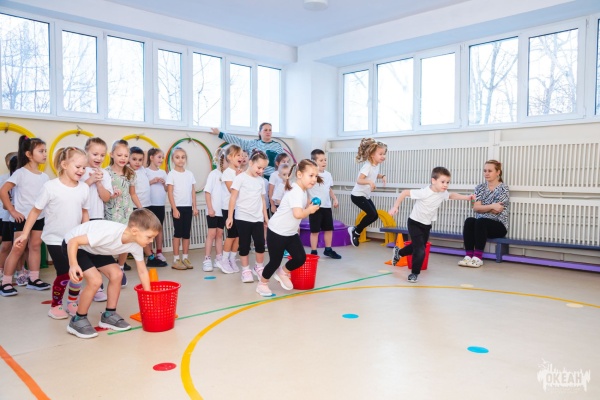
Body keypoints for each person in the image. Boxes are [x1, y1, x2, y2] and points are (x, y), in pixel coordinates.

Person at [15, 147, 89, 318]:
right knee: (64, 273)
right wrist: (25, 234)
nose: (81, 171)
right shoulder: (50, 187)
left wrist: (87, 234)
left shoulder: (84, 188)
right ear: (64, 164)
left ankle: (72, 302)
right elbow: (35, 211)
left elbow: (85, 212)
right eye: (78, 167)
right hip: (55, 239)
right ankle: (55, 305)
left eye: (84, 168)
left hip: (76, 239)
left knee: (77, 273)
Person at [64, 208, 160, 339]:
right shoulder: (110, 234)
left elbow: (142, 271)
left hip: (96, 248)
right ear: (134, 231)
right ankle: (77, 319)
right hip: (75, 246)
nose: (151, 241)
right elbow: (73, 241)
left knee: (117, 274)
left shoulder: (136, 244)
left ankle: (109, 315)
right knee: (96, 280)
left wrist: (149, 298)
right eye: (149, 237)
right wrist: (73, 264)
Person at [389, 167, 475, 283]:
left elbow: (451, 195)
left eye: (447, 182)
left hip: (426, 225)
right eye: (443, 182)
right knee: (420, 250)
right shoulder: (424, 192)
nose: (445, 185)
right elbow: (404, 192)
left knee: (417, 246)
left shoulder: (442, 193)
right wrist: (395, 207)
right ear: (433, 181)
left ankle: (399, 252)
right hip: (414, 223)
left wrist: (467, 197)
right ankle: (414, 273)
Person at [255, 159, 322, 297]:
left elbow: (301, 207)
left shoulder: (302, 190)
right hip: (277, 232)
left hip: (290, 233)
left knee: (300, 258)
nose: (314, 179)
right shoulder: (296, 191)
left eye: (316, 176)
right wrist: (309, 210)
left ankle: (283, 272)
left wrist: (309, 206)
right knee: (275, 261)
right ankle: (262, 284)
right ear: (299, 175)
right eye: (311, 175)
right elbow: (298, 214)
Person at [0, 136, 51, 296]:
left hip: (39, 217)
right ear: (29, 154)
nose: (45, 154)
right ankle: (5, 282)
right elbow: (3, 191)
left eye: (45, 151)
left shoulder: (44, 177)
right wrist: (13, 211)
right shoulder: (20, 173)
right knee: (18, 249)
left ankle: (33, 279)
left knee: (35, 247)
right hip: (22, 218)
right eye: (41, 151)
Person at [226, 150, 269, 284]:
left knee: (260, 244)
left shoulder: (261, 181)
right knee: (244, 245)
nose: (261, 171)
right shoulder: (240, 178)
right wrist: (230, 217)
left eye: (263, 168)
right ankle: (245, 270)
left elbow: (262, 200)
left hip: (257, 218)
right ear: (250, 163)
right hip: (242, 217)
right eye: (259, 167)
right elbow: (233, 197)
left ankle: (259, 267)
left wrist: (266, 217)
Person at [105, 139, 142, 288]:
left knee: (126, 240)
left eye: (126, 156)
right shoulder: (106, 173)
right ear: (112, 154)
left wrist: (140, 208)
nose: (123, 158)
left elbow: (132, 193)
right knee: (109, 241)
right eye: (119, 155)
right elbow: (103, 194)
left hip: (127, 211)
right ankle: (107, 268)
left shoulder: (131, 173)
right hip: (111, 212)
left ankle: (120, 267)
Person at [459, 160, 509, 268]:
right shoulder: (479, 188)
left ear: (498, 172)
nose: (486, 173)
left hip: (498, 225)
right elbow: (475, 208)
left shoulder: (503, 188)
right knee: (469, 221)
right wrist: (492, 206)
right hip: (480, 226)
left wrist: (483, 208)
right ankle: (468, 256)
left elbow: (498, 209)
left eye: (490, 171)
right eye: (485, 171)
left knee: (481, 221)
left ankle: (478, 258)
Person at [82, 137, 113, 302]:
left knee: (97, 251)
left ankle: (98, 288)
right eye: (95, 154)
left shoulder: (105, 173)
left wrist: (99, 183)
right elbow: (76, 192)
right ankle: (85, 287)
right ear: (86, 152)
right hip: (81, 218)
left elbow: (106, 198)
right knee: (82, 254)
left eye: (102, 155)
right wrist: (90, 180)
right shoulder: (80, 170)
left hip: (98, 217)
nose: (98, 158)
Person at [130, 146, 167, 268]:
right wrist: (140, 208)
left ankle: (150, 257)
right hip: (138, 207)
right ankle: (148, 257)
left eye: (140, 160)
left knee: (146, 232)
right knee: (141, 233)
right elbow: (132, 193)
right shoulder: (130, 172)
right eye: (134, 159)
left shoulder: (142, 170)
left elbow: (145, 154)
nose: (137, 162)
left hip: (147, 205)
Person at [347, 138, 388, 247]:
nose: (383, 156)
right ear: (372, 155)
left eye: (384, 154)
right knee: (372, 214)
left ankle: (355, 230)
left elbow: (374, 174)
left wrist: (382, 176)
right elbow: (359, 180)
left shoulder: (376, 165)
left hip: (365, 195)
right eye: (380, 154)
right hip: (357, 196)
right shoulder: (367, 166)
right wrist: (369, 182)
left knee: (374, 216)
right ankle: (356, 232)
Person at [210, 123, 285, 180]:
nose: (268, 132)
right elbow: (237, 140)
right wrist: (219, 133)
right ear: (259, 132)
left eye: (270, 130)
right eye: (265, 130)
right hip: (254, 177)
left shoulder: (277, 146)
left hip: (272, 178)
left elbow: (283, 162)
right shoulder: (252, 143)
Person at [166, 147, 199, 270]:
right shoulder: (171, 174)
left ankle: (185, 257)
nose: (180, 160)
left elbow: (193, 191)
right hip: (178, 208)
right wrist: (174, 209)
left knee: (186, 234)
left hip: (188, 207)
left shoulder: (189, 174)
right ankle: (176, 259)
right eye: (177, 157)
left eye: (183, 157)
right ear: (173, 159)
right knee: (178, 233)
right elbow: (170, 192)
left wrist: (194, 207)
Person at [0, 152, 28, 287]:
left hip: (21, 217)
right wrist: (12, 209)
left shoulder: (25, 177)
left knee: (21, 246)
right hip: (6, 217)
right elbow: (5, 203)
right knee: (7, 246)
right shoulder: (4, 179)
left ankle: (20, 271)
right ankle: (3, 272)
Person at [308, 149, 341, 259]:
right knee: (315, 231)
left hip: (326, 206)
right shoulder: (311, 175)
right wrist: (307, 203)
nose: (324, 162)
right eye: (321, 160)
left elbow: (328, 189)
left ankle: (328, 249)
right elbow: (306, 189)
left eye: (325, 160)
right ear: (314, 161)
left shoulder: (328, 175)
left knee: (328, 229)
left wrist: (335, 199)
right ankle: (313, 252)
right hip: (315, 208)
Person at [220, 144, 243, 274]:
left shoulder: (240, 172)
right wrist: (239, 177)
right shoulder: (227, 173)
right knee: (231, 235)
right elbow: (232, 190)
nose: (241, 157)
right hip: (228, 209)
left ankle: (232, 259)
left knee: (238, 236)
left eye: (241, 155)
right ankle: (224, 260)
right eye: (237, 155)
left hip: (239, 208)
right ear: (229, 157)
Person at [203, 148, 227, 273]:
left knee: (220, 234)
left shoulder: (228, 175)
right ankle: (207, 259)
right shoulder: (214, 174)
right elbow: (207, 192)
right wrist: (210, 208)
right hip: (213, 211)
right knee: (211, 234)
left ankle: (219, 257)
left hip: (222, 211)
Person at [145, 147, 168, 264]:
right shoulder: (145, 172)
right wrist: (151, 182)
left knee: (159, 229)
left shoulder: (163, 172)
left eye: (162, 157)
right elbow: (142, 187)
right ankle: (149, 253)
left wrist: (164, 184)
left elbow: (167, 189)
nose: (161, 159)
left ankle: (159, 252)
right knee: (149, 229)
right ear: (151, 157)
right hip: (149, 205)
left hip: (160, 204)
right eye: (159, 157)